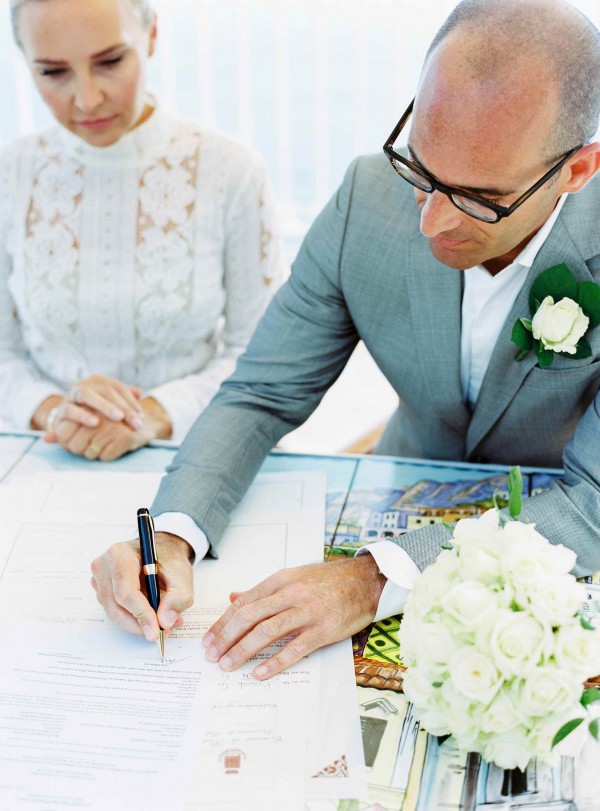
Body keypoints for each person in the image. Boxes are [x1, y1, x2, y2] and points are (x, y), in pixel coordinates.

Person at [92, 0, 600, 677]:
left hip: (560, 555)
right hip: (399, 486)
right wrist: (174, 534)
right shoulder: (367, 195)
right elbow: (261, 394)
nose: (429, 220)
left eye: (478, 197)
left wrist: (371, 578)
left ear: (576, 170)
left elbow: (590, 504)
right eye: (421, 166)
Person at [0, 0, 284, 460]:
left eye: (110, 62)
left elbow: (264, 357)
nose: (87, 99)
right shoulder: (10, 174)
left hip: (197, 452)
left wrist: (151, 415)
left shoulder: (230, 171)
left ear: (151, 37)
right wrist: (59, 414)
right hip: (43, 458)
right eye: (54, 72)